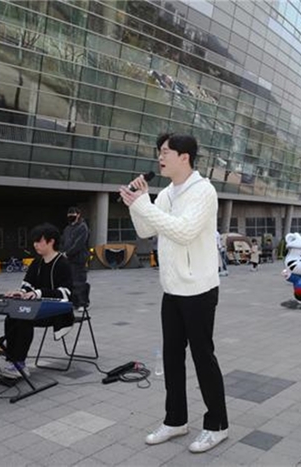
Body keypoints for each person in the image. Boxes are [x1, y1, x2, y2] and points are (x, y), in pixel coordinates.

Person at [119, 133, 229, 454]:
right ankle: (175, 419)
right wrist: (137, 203)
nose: (160, 158)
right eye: (159, 152)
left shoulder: (203, 191)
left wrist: (143, 204)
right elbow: (147, 229)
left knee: (202, 356)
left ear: (185, 157)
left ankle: (217, 424)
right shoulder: (167, 192)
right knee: (171, 357)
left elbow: (182, 231)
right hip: (172, 290)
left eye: (165, 152)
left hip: (198, 290)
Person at [1, 223, 74, 379]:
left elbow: (66, 293)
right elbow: (27, 285)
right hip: (38, 309)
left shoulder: (63, 263)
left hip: (57, 312)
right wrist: (20, 293)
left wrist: (38, 293)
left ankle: (19, 364)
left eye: (39, 241)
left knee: (24, 318)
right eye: (34, 241)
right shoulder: (37, 262)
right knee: (12, 316)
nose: (35, 244)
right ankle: (13, 361)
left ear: (51, 241)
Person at [60, 207, 90, 312]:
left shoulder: (82, 227)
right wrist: (61, 253)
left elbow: (79, 243)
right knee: (70, 282)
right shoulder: (67, 229)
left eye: (73, 213)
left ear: (78, 215)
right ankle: (75, 303)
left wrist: (68, 253)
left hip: (79, 259)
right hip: (68, 260)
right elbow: (62, 242)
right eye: (69, 214)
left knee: (80, 281)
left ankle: (83, 303)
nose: (70, 216)